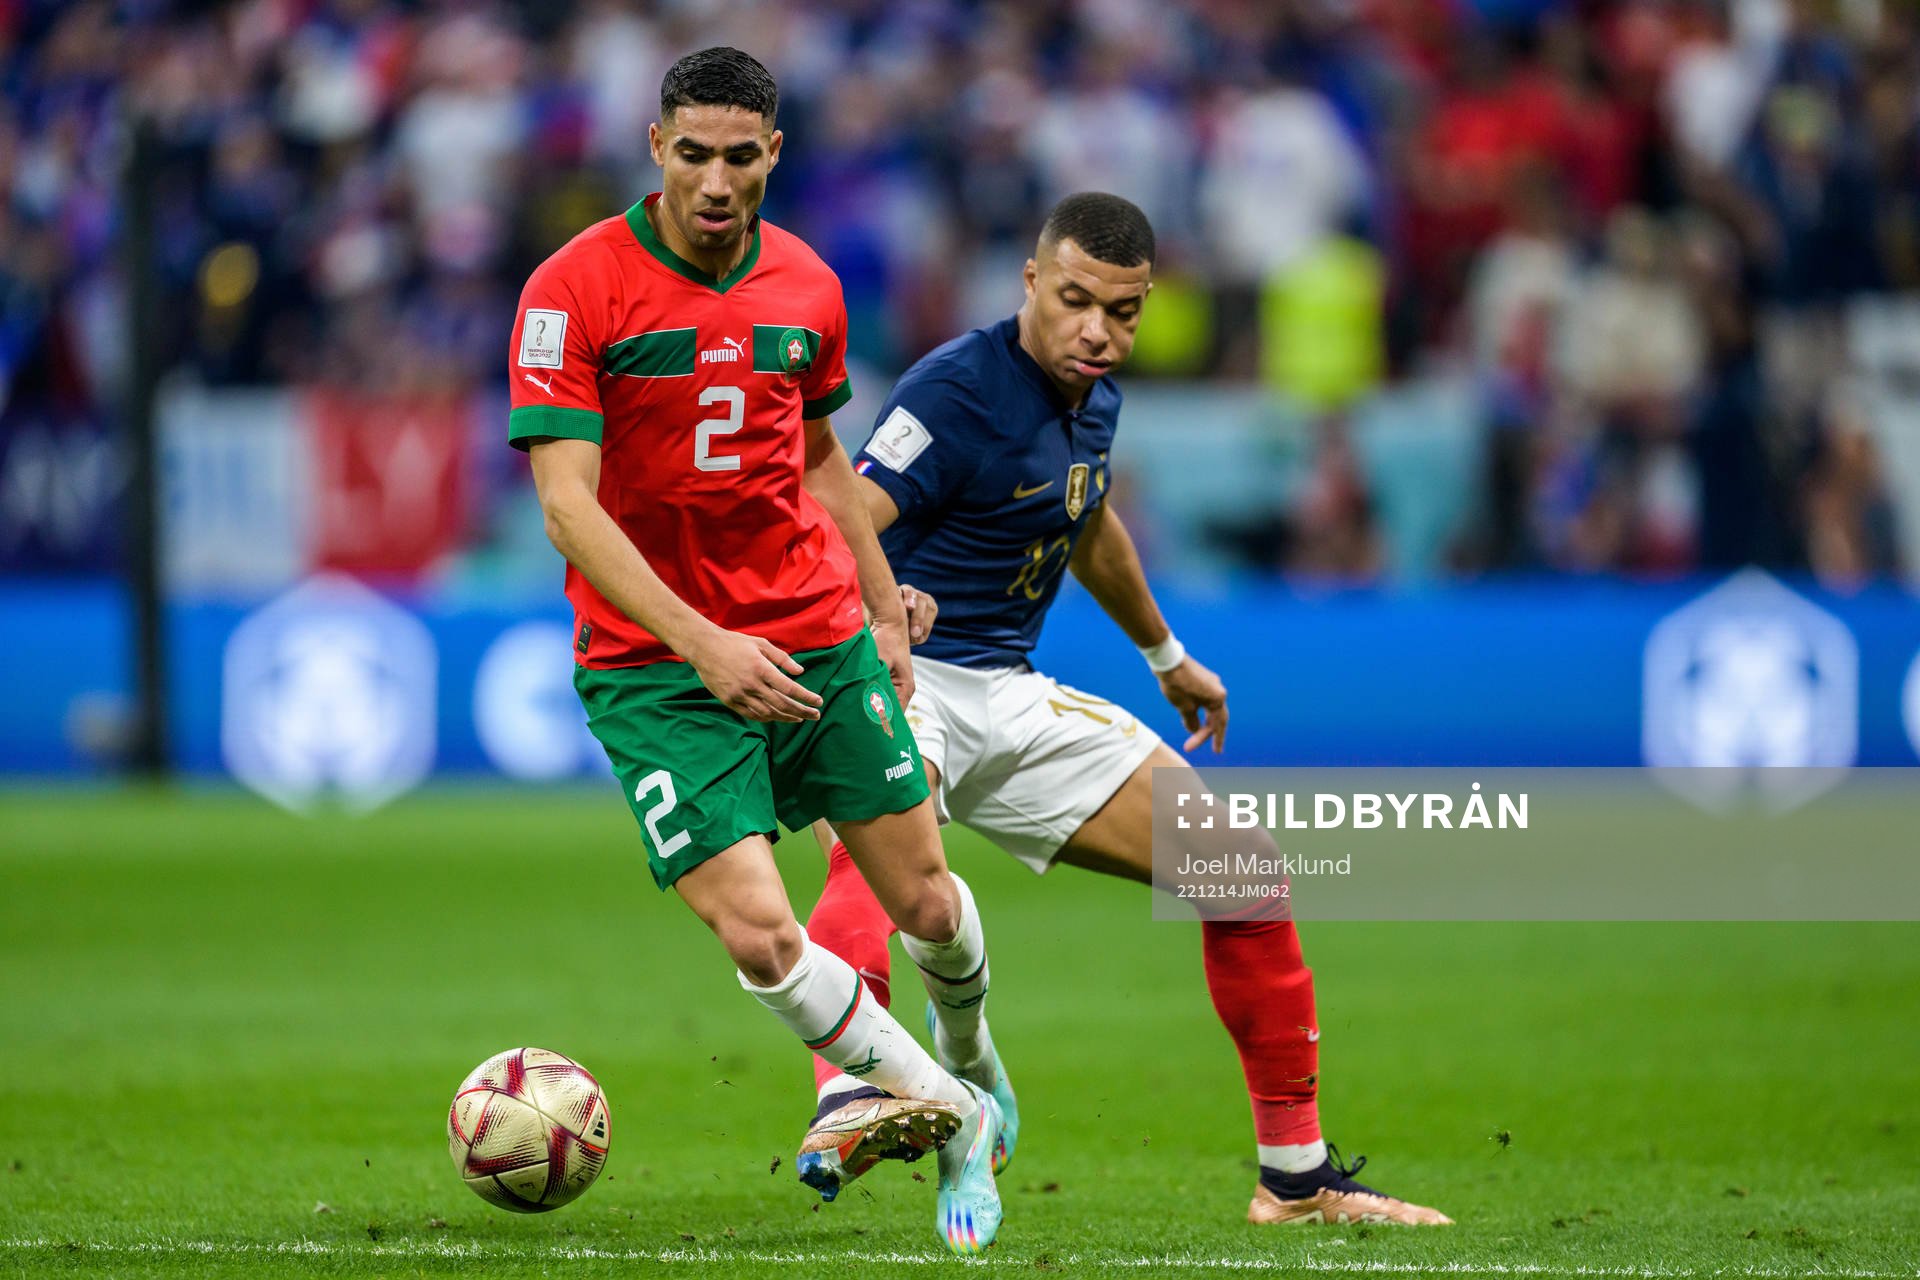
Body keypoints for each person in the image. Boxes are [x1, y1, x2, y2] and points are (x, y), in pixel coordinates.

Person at [793, 193, 1450, 1227]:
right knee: (875, 873)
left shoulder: (1094, 395)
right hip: (900, 681)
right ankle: (854, 1089)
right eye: (1075, 301)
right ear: (1029, 283)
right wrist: (878, 603)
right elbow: (833, 518)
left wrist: (1166, 653)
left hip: (1007, 692)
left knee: (1244, 872)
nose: (1098, 330)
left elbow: (1086, 519)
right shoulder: (957, 389)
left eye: (1125, 311)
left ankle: (1297, 1178)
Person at [505, 47, 1006, 1255]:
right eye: (694, 154)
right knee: (762, 933)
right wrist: (703, 642)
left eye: (742, 156)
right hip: (654, 662)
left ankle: (969, 1058)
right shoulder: (575, 290)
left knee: (928, 901)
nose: (717, 180)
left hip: (815, 627)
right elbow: (570, 507)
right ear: (655, 145)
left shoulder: (809, 285)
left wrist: (884, 609)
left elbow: (822, 460)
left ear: (773, 153)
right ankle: (958, 1120)